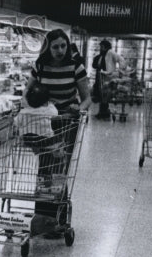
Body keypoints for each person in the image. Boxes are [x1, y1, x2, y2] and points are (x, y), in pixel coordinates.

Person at [22, 29, 90, 228]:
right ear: (48, 48)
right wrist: (27, 108)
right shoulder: (40, 66)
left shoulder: (76, 67)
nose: (60, 50)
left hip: (67, 121)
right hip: (45, 121)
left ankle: (55, 217)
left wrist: (79, 108)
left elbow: (87, 99)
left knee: (59, 166)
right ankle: (46, 216)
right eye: (55, 47)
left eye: (63, 46)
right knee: (46, 165)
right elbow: (27, 92)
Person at [91, 39, 126, 120]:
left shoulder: (110, 52)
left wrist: (120, 71)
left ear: (106, 47)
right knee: (101, 95)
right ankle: (102, 112)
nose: (100, 48)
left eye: (101, 47)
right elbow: (96, 64)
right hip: (100, 77)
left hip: (107, 77)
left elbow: (120, 59)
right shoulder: (102, 55)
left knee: (105, 95)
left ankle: (104, 113)